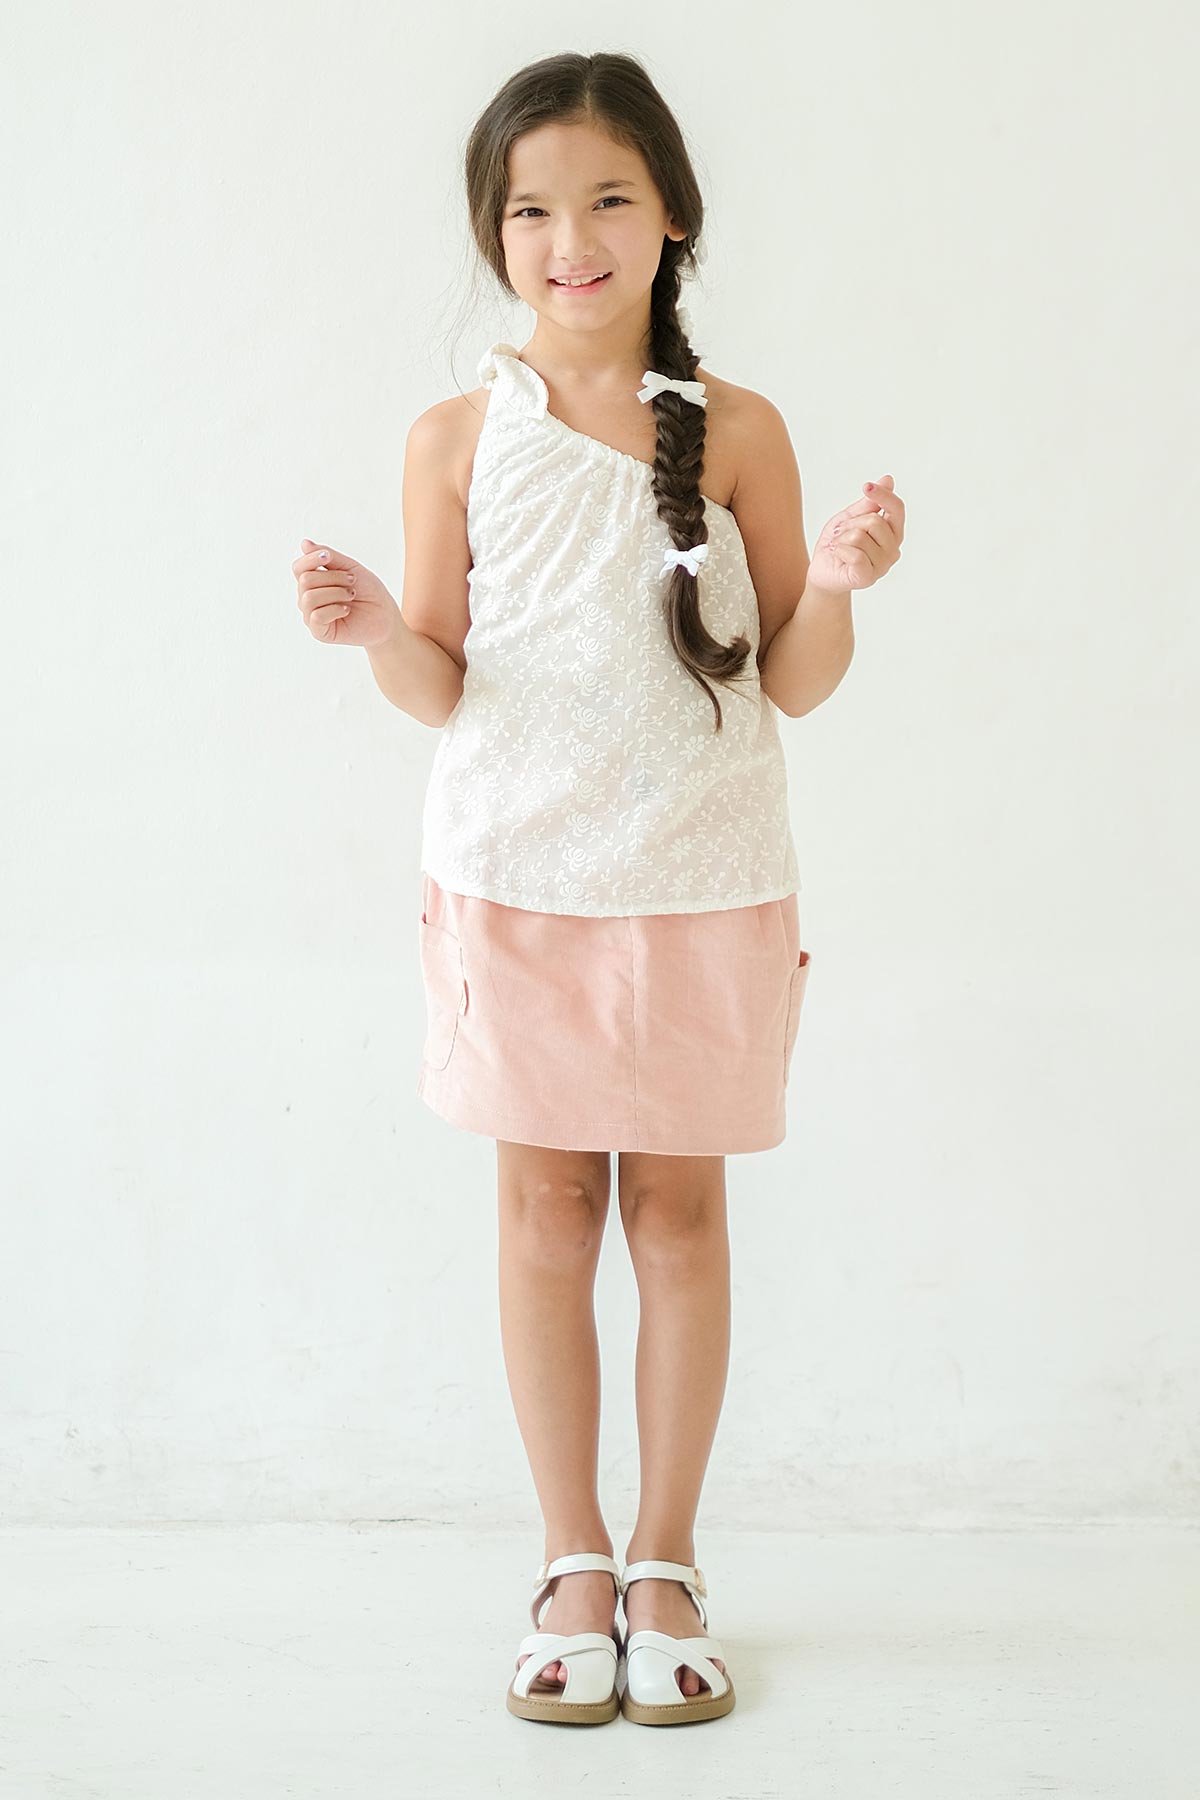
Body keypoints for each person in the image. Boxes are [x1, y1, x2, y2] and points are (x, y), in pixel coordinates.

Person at [291, 50, 905, 1728]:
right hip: (518, 880)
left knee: (680, 1218)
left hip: (704, 882)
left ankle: (666, 1560)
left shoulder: (740, 431)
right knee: (548, 1215)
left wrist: (839, 583)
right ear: (495, 234)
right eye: (533, 211)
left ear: (674, 215)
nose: (572, 240)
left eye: (610, 199)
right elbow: (441, 681)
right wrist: (379, 632)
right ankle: (568, 1556)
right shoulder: (454, 437)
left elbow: (792, 681)